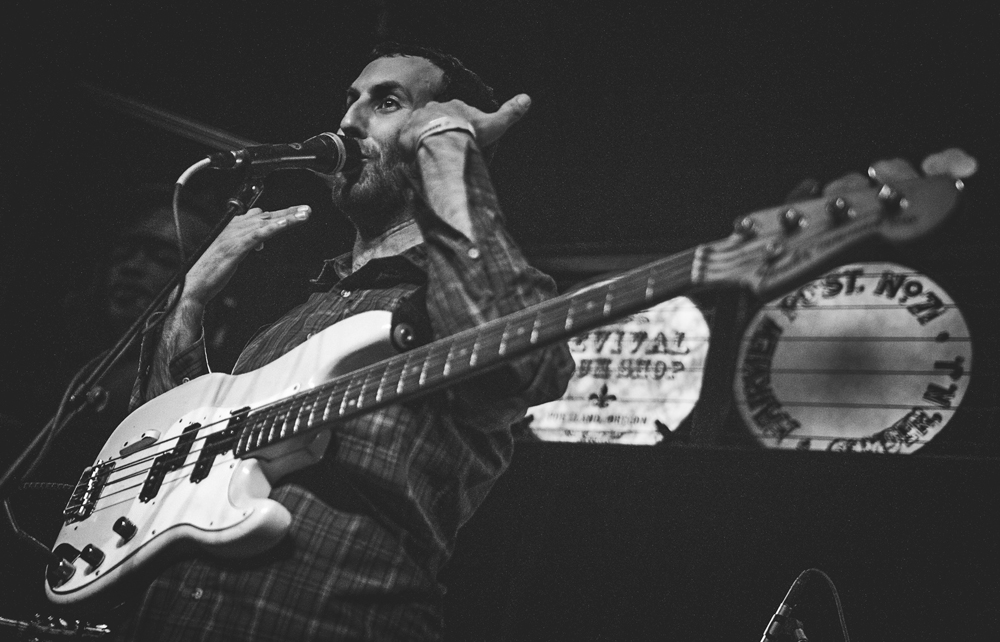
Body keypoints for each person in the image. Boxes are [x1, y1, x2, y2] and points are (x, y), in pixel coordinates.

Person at [112, 42, 576, 641]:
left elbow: (525, 364)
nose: (349, 121)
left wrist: (447, 150)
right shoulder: (293, 322)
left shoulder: (479, 295)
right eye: (350, 100)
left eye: (386, 102)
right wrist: (190, 299)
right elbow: (167, 450)